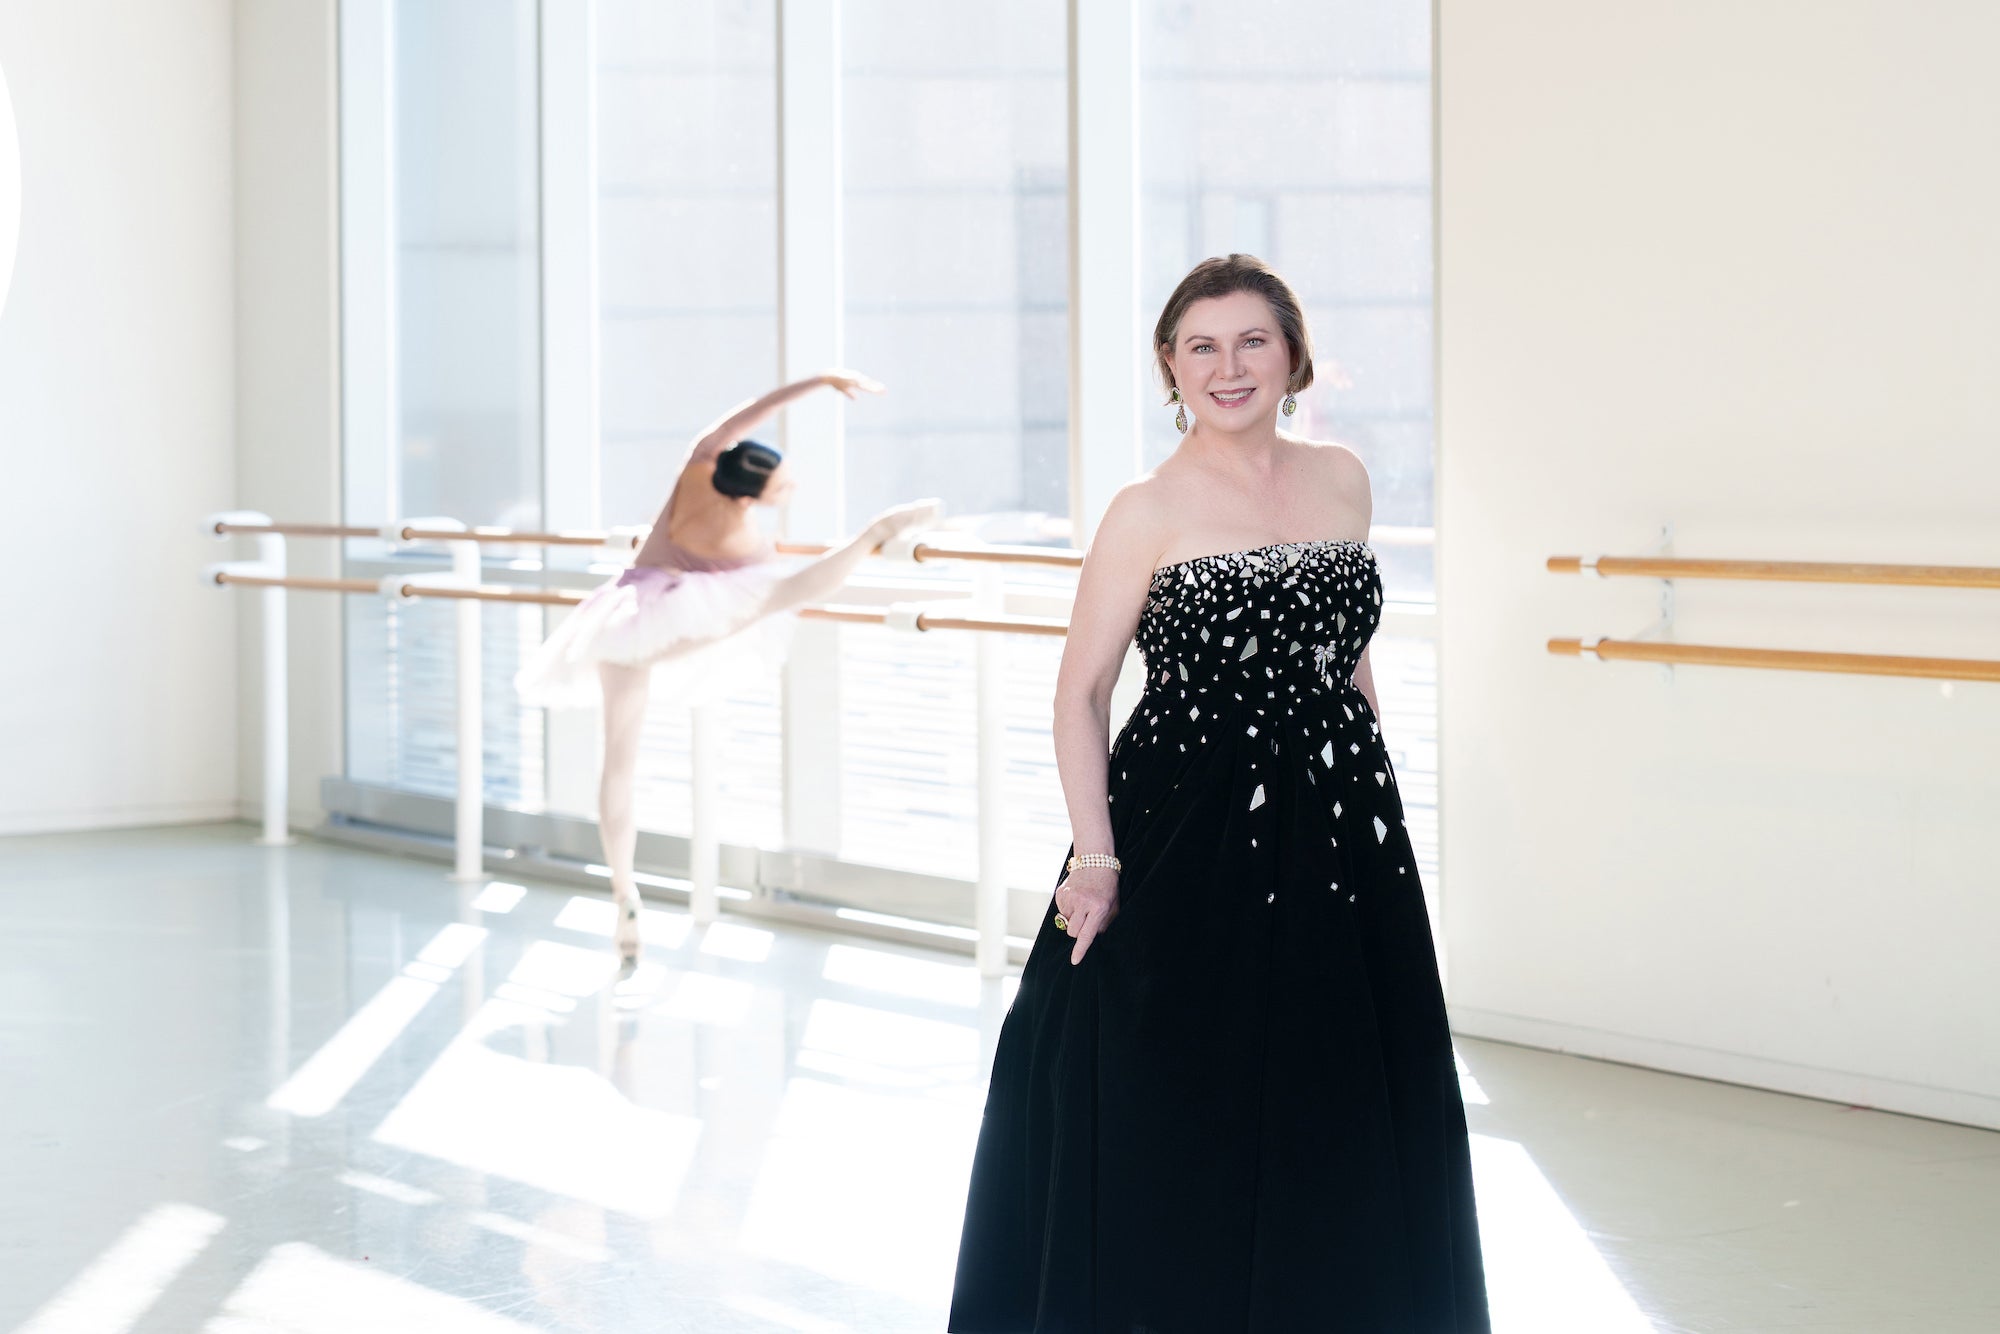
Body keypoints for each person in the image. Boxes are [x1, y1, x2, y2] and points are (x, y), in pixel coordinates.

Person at [949, 256, 1489, 1332]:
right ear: (1169, 365)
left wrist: (1373, 789)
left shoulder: (1342, 478)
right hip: (1181, 828)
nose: (1226, 366)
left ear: (1291, 353)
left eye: (1250, 341)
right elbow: (1081, 693)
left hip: (1341, 831)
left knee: (1335, 1090)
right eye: (1201, 346)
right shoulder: (1145, 510)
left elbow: (1345, 654)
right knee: (1170, 1089)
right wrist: (1094, 860)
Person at [516, 371, 938, 961]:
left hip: (620, 616)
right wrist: (819, 382)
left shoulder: (700, 463)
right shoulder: (737, 532)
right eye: (782, 487)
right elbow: (768, 583)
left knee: (618, 762)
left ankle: (623, 891)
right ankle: (876, 532)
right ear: (748, 496)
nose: (790, 489)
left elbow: (746, 414)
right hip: (667, 624)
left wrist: (818, 382)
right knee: (787, 591)